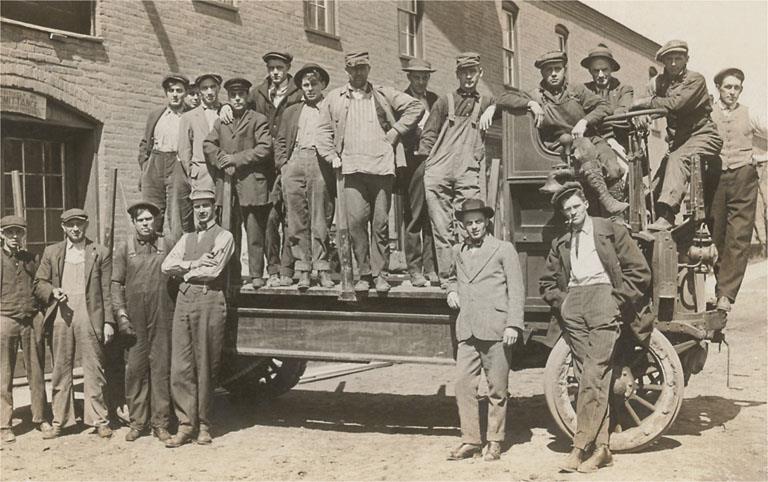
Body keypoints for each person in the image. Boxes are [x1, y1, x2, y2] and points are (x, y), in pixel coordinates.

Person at [539, 182, 651, 473]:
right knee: (587, 376)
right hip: (574, 305)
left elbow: (640, 271)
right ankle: (602, 449)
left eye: (576, 206)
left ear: (586, 204)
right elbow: (546, 282)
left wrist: (616, 300)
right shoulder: (561, 242)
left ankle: (579, 447)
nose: (572, 213)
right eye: (567, 210)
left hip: (604, 299)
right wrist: (564, 303)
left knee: (593, 373)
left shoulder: (609, 230)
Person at [316, 51, 424, 293]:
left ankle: (380, 274)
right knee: (355, 222)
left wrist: (396, 131)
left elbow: (415, 106)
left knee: (381, 224)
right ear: (347, 70)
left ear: (369, 69)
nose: (358, 72)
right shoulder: (335, 98)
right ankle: (364, 273)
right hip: (351, 169)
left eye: (362, 68)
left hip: (382, 168)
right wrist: (331, 156)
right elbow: (322, 131)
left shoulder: (383, 94)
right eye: (353, 68)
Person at [495, 51, 628, 217]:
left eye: (557, 69)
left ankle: (616, 217)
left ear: (564, 70)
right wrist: (530, 103)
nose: (553, 74)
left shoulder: (577, 90)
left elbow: (604, 106)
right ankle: (606, 200)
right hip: (560, 145)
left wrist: (585, 121)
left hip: (590, 138)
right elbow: (503, 98)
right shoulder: (536, 95)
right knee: (584, 146)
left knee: (613, 167)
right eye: (548, 70)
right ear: (542, 73)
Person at [445, 199, 524, 462]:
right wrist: (451, 291)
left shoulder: (503, 249)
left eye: (478, 221)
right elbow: (451, 277)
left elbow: (516, 289)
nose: (474, 227)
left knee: (497, 388)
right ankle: (471, 440)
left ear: (486, 221)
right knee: (462, 386)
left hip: (496, 328)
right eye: (469, 223)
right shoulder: (458, 251)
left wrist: (513, 324)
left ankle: (495, 441)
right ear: (463, 226)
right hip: (467, 330)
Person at [221, 52, 303, 287]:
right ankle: (273, 268)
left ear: (288, 68)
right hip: (264, 166)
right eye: (271, 68)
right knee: (269, 219)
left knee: (290, 216)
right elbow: (238, 107)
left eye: (280, 68)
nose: (275, 72)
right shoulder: (258, 93)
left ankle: (288, 268)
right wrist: (224, 107)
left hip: (289, 159)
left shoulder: (298, 93)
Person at [161, 188, 235, 447]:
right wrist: (194, 264)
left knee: (206, 364)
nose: (201, 211)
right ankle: (185, 425)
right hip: (184, 299)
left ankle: (204, 424)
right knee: (181, 365)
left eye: (205, 205)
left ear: (214, 208)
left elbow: (213, 270)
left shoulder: (224, 236)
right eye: (197, 206)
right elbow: (166, 265)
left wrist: (185, 270)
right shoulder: (187, 237)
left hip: (208, 297)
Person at [34, 209, 115, 439]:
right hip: (61, 315)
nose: (75, 229)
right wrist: (52, 291)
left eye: (79, 224)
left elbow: (107, 290)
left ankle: (99, 419)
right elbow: (39, 283)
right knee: (61, 369)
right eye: (71, 225)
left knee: (94, 368)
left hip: (90, 315)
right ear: (63, 227)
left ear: (86, 225)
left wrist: (108, 321)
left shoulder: (100, 252)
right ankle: (60, 420)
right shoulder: (52, 252)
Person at [417, 52, 496, 289]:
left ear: (480, 73)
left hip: (467, 169)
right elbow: (428, 136)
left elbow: (513, 99)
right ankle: (448, 278)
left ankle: (469, 274)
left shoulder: (486, 102)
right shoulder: (444, 102)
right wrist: (426, 167)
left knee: (470, 222)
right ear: (457, 75)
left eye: (473, 72)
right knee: (442, 227)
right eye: (464, 72)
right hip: (439, 169)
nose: (468, 77)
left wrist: (494, 108)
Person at [632, 40, 723, 231]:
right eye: (669, 59)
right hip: (679, 142)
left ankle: (667, 216)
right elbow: (638, 103)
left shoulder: (695, 80)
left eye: (678, 58)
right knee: (658, 181)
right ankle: (648, 218)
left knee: (677, 159)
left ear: (686, 59)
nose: (673, 63)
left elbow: (675, 104)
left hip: (704, 135)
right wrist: (641, 116)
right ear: (663, 62)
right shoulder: (658, 82)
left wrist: (646, 103)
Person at [112, 201, 176, 442]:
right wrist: (121, 315)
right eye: (141, 220)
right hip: (135, 320)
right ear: (134, 223)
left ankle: (161, 423)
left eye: (149, 219)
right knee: (135, 370)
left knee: (161, 369)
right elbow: (116, 284)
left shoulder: (167, 244)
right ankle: (138, 423)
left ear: (156, 221)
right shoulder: (124, 248)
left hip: (162, 317)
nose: (146, 224)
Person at [204, 78, 272, 290]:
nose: (237, 99)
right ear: (228, 98)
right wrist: (222, 160)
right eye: (233, 96)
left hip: (251, 184)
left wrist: (236, 159)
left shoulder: (258, 119)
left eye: (241, 95)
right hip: (228, 186)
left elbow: (264, 148)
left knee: (254, 231)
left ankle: (256, 274)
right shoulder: (221, 122)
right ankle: (232, 274)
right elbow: (208, 144)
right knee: (229, 230)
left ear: (247, 96)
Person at [709, 67, 768, 312]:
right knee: (716, 234)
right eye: (728, 87)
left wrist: (762, 157)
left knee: (739, 235)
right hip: (715, 178)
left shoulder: (750, 113)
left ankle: (726, 295)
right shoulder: (708, 113)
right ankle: (720, 288)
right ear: (718, 88)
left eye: (736, 88)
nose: (732, 92)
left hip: (743, 177)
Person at [275, 63, 336, 290]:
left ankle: (322, 268)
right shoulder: (292, 111)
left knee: (320, 217)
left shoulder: (330, 109)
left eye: (314, 84)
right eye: (306, 85)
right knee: (296, 218)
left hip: (320, 162)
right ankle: (303, 269)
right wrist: (284, 165)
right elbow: (281, 140)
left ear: (323, 85)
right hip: (295, 161)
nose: (310, 89)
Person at [1, 215, 51, 443]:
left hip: (31, 320)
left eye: (18, 232)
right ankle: (4, 424)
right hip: (5, 319)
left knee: (37, 370)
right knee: (4, 373)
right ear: (1, 234)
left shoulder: (31, 259)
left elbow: (39, 286)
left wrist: (41, 311)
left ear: (23, 235)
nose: (14, 236)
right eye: (9, 232)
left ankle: (40, 417)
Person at [400, 58, 439, 287]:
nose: (421, 82)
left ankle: (431, 266)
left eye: (425, 77)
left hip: (434, 161)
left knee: (432, 213)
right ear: (409, 77)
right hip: (412, 163)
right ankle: (414, 269)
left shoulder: (435, 100)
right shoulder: (401, 100)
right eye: (417, 77)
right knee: (414, 215)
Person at [138, 73, 193, 235]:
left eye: (179, 91)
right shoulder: (156, 114)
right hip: (154, 163)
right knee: (150, 212)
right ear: (166, 93)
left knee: (178, 216)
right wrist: (145, 166)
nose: (175, 95)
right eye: (171, 91)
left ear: (185, 93)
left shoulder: (191, 115)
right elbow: (144, 142)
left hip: (178, 164)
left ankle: (181, 249)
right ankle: (152, 249)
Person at [178, 73, 223, 207]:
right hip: (201, 172)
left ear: (218, 88)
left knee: (225, 211)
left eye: (212, 87)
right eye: (205, 88)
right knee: (203, 211)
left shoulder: (226, 112)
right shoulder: (189, 117)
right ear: (199, 91)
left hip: (224, 172)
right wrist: (192, 172)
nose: (209, 92)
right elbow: (184, 149)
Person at [581, 43, 636, 151]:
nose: (601, 75)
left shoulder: (624, 90)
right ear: (590, 71)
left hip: (619, 141)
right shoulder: (584, 90)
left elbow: (621, 113)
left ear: (611, 69)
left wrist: (592, 119)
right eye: (596, 70)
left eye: (604, 69)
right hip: (591, 143)